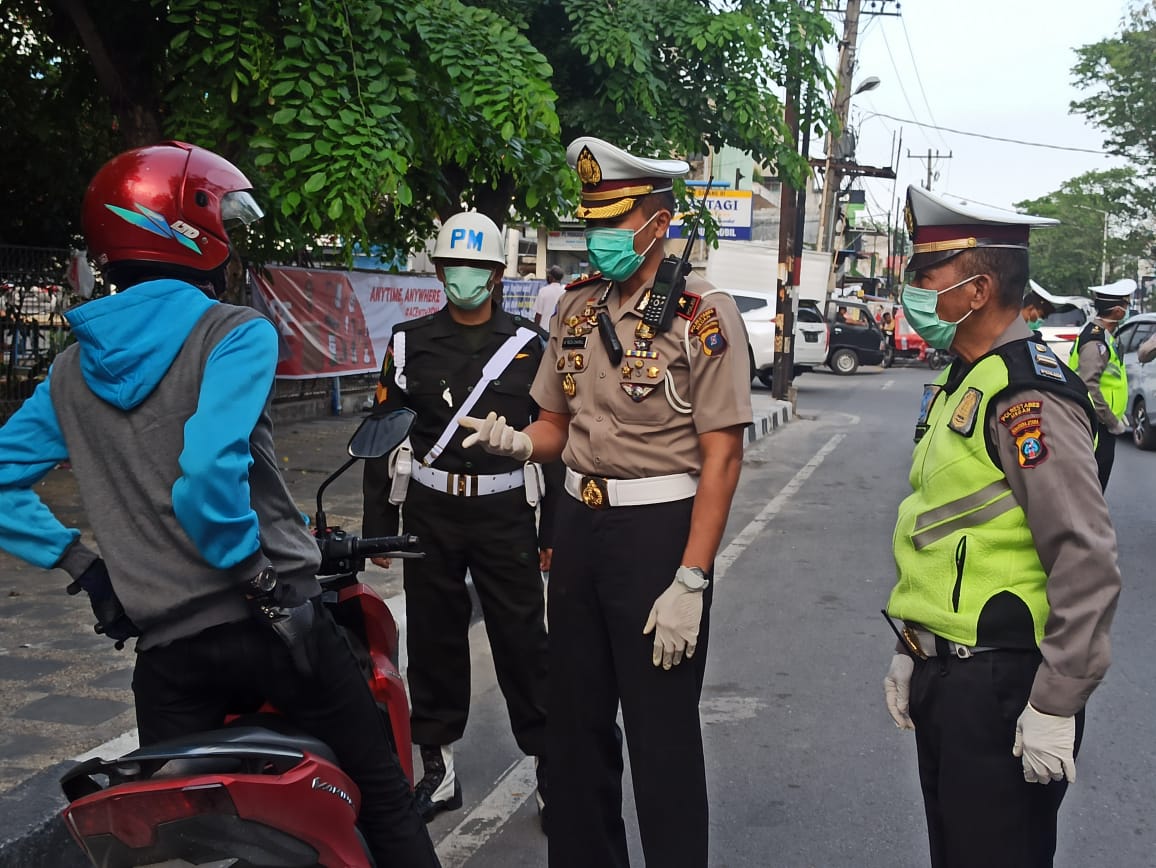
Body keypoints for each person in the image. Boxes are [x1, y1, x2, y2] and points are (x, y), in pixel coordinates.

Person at [0, 141, 439, 866]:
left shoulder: (70, 372)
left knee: (179, 843)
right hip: (277, 635)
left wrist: (87, 570)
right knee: (385, 799)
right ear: (187, 227)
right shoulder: (231, 334)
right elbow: (207, 475)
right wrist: (259, 581)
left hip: (169, 658)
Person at [459, 136, 752, 868]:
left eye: (613, 219)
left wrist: (691, 578)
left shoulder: (703, 316)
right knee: (576, 726)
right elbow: (558, 423)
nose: (599, 233)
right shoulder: (580, 309)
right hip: (582, 528)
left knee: (661, 733)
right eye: (592, 218)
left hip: (658, 533)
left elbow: (724, 453)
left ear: (658, 221)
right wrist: (521, 443)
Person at [883, 184, 1122, 868]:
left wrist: (1056, 702)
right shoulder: (969, 378)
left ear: (978, 288)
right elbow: (943, 533)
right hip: (951, 676)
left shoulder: (1027, 397)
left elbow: (1087, 558)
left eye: (925, 276)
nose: (913, 289)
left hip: (1003, 690)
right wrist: (913, 642)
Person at [362, 210, 550, 824]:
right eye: (454, 265)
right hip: (431, 509)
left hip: (505, 511)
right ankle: (438, 770)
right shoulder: (406, 342)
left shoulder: (530, 345)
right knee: (435, 639)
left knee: (523, 641)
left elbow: (554, 435)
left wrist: (554, 533)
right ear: (440, 270)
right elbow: (384, 432)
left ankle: (552, 769)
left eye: (477, 266)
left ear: (497, 273)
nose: (464, 275)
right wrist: (377, 527)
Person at [1067, 279, 1136, 490]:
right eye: (1125, 305)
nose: (1127, 309)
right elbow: (1089, 386)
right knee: (1093, 486)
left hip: (1100, 423)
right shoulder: (1096, 342)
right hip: (1097, 425)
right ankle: (1088, 524)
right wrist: (1112, 421)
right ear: (1116, 312)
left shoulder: (1105, 336)